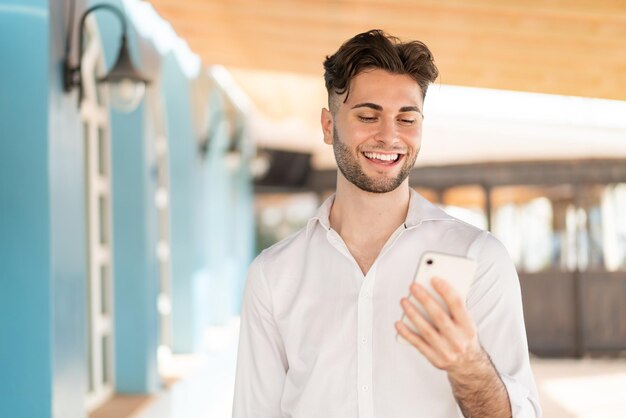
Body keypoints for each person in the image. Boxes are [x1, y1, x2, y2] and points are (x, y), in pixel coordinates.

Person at [233, 29, 541, 418]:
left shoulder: (479, 257)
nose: (389, 136)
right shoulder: (273, 275)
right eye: (368, 115)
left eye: (406, 118)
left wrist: (468, 364)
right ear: (329, 126)